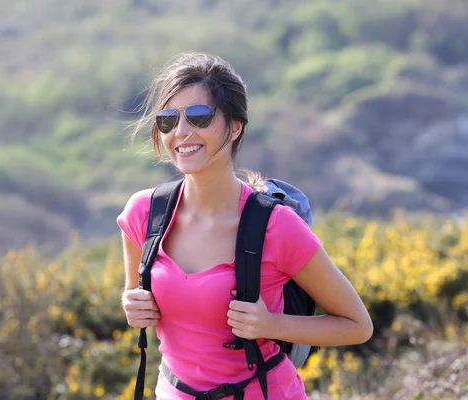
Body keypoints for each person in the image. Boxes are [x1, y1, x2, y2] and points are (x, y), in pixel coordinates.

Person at [116, 52, 373, 400]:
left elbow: (357, 325)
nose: (181, 132)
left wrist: (271, 325)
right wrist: (131, 306)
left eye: (198, 116)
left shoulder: (276, 226)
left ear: (235, 126)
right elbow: (136, 297)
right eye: (167, 120)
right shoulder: (144, 214)